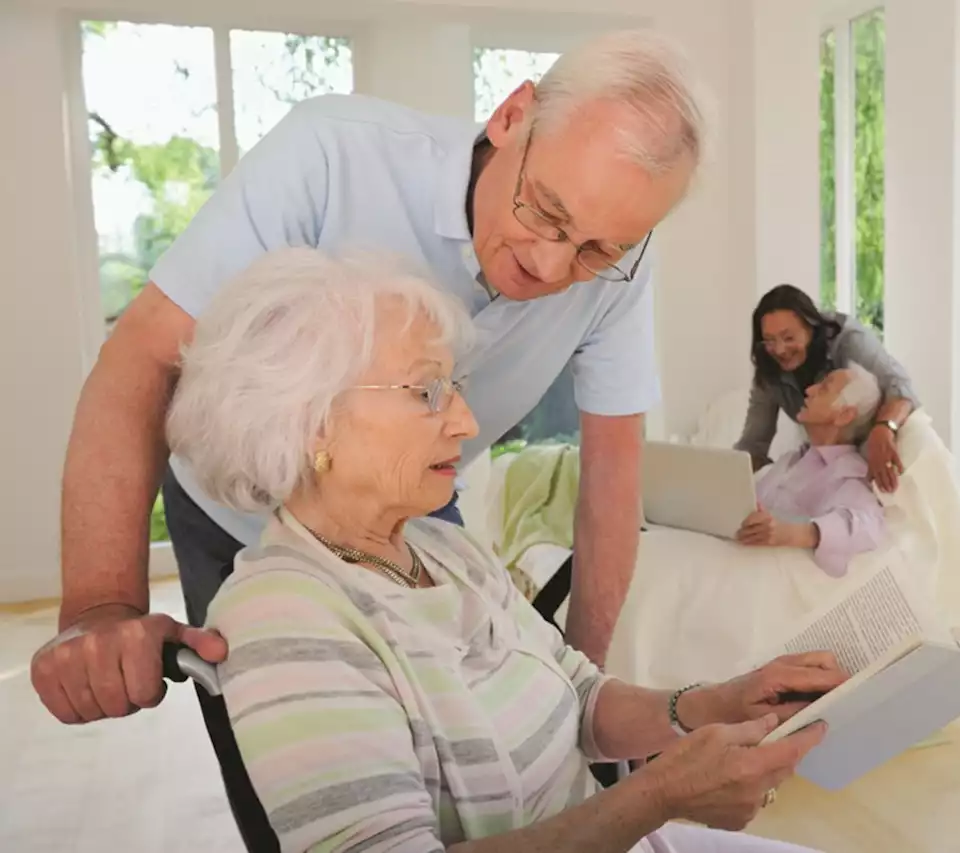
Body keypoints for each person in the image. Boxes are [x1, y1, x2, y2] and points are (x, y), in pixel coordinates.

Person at [32, 30, 705, 740]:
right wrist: (100, 607)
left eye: (598, 250)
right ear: (511, 116)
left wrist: (583, 703)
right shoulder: (332, 154)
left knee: (465, 748)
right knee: (295, 760)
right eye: (544, 209)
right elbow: (142, 355)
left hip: (408, 510)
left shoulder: (619, 268)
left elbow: (611, 477)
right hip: (233, 507)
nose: (549, 264)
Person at [174, 249, 842, 853]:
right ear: (312, 419)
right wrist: (657, 795)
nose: (466, 423)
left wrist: (721, 701)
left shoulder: (444, 547)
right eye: (428, 391)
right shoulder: (281, 617)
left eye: (455, 387)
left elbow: (580, 698)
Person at [735, 284, 919, 493]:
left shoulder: (849, 340)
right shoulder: (768, 363)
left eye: (788, 338)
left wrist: (884, 429)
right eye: (769, 341)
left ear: (811, 328)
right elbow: (753, 443)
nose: (779, 350)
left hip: (880, 453)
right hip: (827, 461)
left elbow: (901, 388)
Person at [735, 366, 888, 577]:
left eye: (824, 389)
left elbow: (870, 525)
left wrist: (798, 533)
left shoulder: (849, 473)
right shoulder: (789, 461)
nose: (809, 390)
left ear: (844, 415)